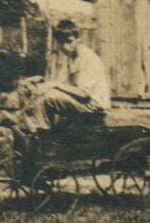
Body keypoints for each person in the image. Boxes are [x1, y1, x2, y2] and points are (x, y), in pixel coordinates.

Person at [15, 20, 111, 150]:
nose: (65, 47)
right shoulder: (71, 58)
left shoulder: (88, 58)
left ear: (78, 39)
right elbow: (61, 83)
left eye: (69, 41)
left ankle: (46, 141)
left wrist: (53, 85)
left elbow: (83, 94)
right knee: (43, 95)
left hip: (93, 104)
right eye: (61, 42)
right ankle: (40, 136)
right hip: (81, 102)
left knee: (49, 99)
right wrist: (41, 81)